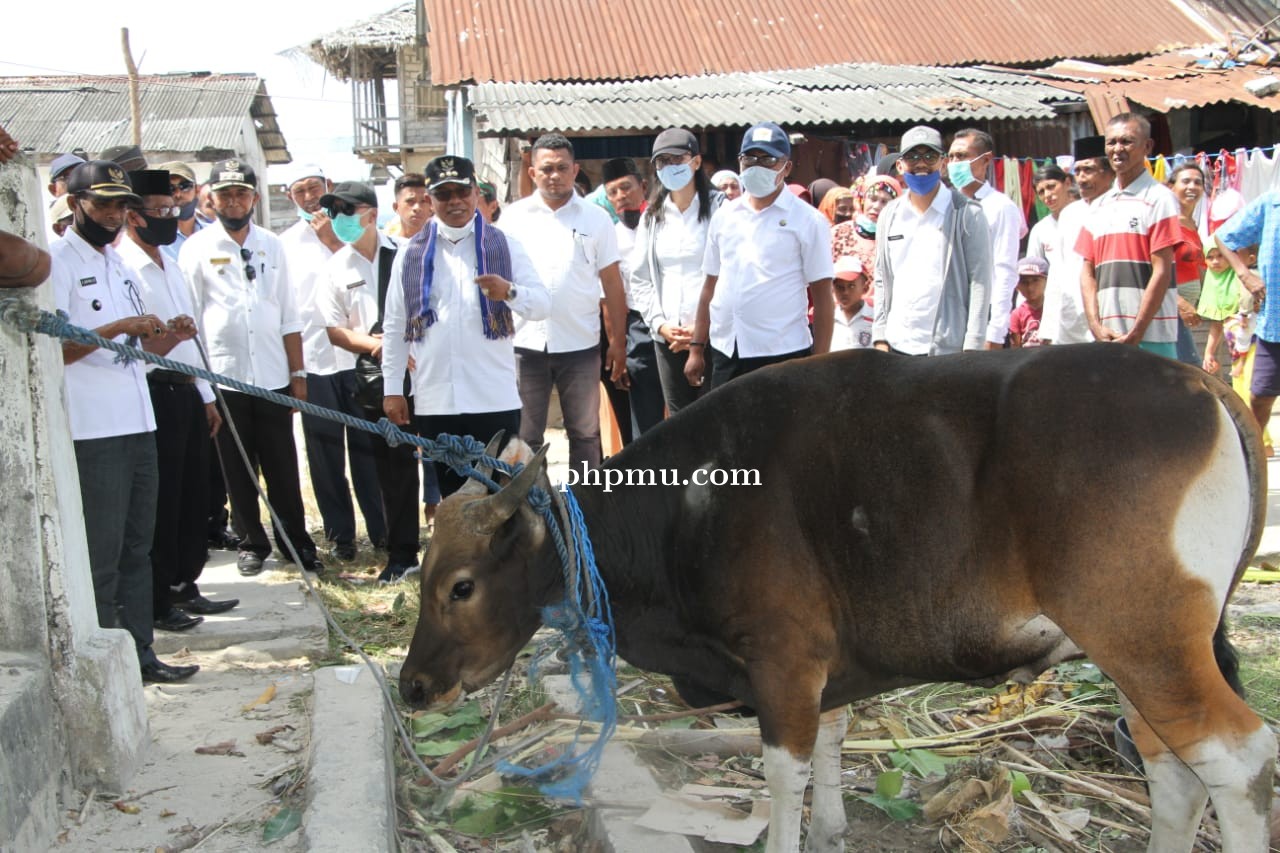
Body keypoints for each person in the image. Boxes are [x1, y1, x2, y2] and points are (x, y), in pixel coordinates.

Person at [49, 160, 198, 683]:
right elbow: (57, 347)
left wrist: (171, 333)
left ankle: (140, 654)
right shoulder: (57, 262)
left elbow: (141, 346)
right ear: (75, 204)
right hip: (93, 429)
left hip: (138, 421)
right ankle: (102, 660)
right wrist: (118, 326)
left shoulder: (122, 267)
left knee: (140, 545)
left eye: (121, 205)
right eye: (103, 204)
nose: (114, 215)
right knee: (104, 552)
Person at [178, 159, 323, 577]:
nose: (234, 201)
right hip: (225, 379)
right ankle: (251, 543)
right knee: (238, 469)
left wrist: (298, 376)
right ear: (211, 199)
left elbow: (289, 314)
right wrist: (203, 388)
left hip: (274, 378)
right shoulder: (197, 249)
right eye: (225, 194)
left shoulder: (272, 244)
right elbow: (190, 320)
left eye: (242, 193)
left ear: (254, 198)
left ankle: (297, 542)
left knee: (283, 468)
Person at [381, 154, 550, 505]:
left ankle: (505, 562)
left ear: (475, 193)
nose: (454, 201)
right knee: (453, 500)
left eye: (462, 191)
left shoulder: (505, 245)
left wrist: (510, 292)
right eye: (444, 194)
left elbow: (542, 305)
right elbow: (396, 326)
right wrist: (393, 389)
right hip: (436, 400)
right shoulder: (410, 254)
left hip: (493, 398)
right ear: (430, 200)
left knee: (502, 499)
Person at [117, 169, 238, 630]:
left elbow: (194, 339)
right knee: (163, 499)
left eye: (174, 209)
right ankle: (160, 594)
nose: (169, 217)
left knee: (195, 494)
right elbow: (144, 344)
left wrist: (207, 395)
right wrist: (169, 340)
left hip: (187, 389)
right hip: (153, 389)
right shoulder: (125, 266)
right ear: (135, 216)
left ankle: (186, 582)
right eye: (159, 211)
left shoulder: (171, 261)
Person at [502, 134, 629, 469]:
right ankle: (533, 512)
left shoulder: (596, 220)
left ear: (575, 170)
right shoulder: (512, 220)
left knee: (585, 434)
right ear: (532, 173)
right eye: (546, 169)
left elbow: (613, 285)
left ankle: (585, 511)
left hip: (580, 345)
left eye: (561, 168)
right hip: (525, 344)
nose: (554, 175)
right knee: (525, 437)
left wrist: (618, 343)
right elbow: (499, 285)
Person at [319, 182, 422, 584]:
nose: (340, 220)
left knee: (444, 457)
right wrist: (379, 347)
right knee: (393, 469)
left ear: (373, 214)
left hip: (425, 375)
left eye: (349, 210)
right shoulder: (335, 268)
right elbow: (335, 331)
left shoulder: (406, 254)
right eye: (334, 212)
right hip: (376, 379)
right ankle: (402, 553)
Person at [281, 166, 385, 561]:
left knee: (368, 449)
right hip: (316, 361)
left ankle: (381, 530)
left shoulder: (350, 234)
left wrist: (330, 240)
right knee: (324, 455)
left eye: (314, 188)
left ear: (327, 189)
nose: (309, 197)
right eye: (300, 191)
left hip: (360, 360)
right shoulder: (284, 245)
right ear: (290, 197)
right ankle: (341, 535)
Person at [685, 121, 834, 389]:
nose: (757, 166)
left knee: (778, 432)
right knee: (727, 431)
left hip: (781, 353)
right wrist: (697, 348)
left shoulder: (808, 220)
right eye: (750, 159)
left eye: (767, 160)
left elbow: (823, 297)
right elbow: (710, 286)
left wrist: (819, 366)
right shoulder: (724, 216)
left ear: (786, 167)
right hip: (727, 350)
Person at [871, 125, 991, 356]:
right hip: (897, 346)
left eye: (930, 156)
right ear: (899, 165)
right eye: (912, 157)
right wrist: (880, 335)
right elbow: (882, 278)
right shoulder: (890, 214)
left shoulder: (966, 213)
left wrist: (973, 346)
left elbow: (980, 282)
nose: (921, 164)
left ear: (943, 164)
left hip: (948, 350)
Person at [631, 128, 723, 415]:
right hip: (668, 340)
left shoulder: (722, 209)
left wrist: (702, 329)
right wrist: (659, 324)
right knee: (679, 425)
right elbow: (640, 278)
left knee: (716, 418)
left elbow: (732, 275)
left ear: (696, 162)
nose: (670, 167)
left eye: (677, 159)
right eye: (662, 161)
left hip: (714, 336)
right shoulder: (652, 216)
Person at [1077, 113, 1180, 358]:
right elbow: (1086, 271)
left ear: (1147, 146)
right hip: (1108, 336)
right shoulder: (1098, 206)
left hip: (1150, 336)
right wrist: (1095, 325)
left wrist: (1137, 331)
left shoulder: (1160, 198)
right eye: (1112, 142)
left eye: (1127, 141)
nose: (1117, 149)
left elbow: (1162, 271)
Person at [602, 157, 665, 441]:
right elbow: (608, 303)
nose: (621, 197)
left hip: (676, 324)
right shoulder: (609, 239)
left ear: (643, 186)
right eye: (612, 193)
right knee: (645, 417)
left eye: (626, 188)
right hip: (637, 329)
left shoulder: (666, 225)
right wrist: (620, 349)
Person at [947, 129, 1027, 349]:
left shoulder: (1001, 208)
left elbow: (1004, 271)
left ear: (986, 160)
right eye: (952, 157)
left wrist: (995, 332)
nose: (955, 163)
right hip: (949, 316)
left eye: (962, 156)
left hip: (984, 316)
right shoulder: (945, 205)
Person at [1215, 188, 1280, 437]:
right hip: (1275, 321)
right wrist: (1244, 273)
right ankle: (1253, 453)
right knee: (1261, 396)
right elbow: (1224, 236)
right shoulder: (1271, 202)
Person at [1039, 136, 1110, 345]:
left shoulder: (1118, 208)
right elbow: (1058, 271)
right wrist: (1048, 327)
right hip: (1071, 319)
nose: (1081, 178)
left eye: (1088, 170)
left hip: (1108, 314)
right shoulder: (1070, 214)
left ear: (1108, 172)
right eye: (1077, 171)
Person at [832, 175, 900, 288]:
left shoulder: (897, 240)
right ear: (862, 200)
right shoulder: (837, 234)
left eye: (884, 202)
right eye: (873, 199)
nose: (877, 206)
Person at [1170, 163, 1208, 366]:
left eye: (1198, 182)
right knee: (1189, 369)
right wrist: (1180, 303)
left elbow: (1200, 268)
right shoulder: (1167, 223)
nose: (1192, 186)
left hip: (1190, 313)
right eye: (1185, 181)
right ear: (1172, 187)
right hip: (1170, 310)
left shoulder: (1193, 224)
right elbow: (1151, 270)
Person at [1025, 164, 1073, 265]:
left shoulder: (1086, 218)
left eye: (1051, 187)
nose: (1047, 195)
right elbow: (1034, 270)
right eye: (1041, 192)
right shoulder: (1040, 230)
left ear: (1067, 183)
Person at [155, 161, 203, 261]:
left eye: (185, 186)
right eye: (170, 188)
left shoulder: (213, 233)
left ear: (197, 190)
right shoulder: (155, 240)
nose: (178, 194)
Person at [830, 255, 874, 351]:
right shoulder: (828, 318)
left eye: (852, 286)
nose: (845, 292)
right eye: (839, 287)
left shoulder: (874, 318)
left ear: (865, 288)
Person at [1009, 257, 1047, 347]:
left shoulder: (1053, 309)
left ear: (1046, 281)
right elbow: (1016, 348)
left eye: (1035, 280)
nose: (1030, 287)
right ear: (1017, 285)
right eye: (1024, 282)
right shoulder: (1016, 314)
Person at [385, 173, 432, 239]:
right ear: (396, 207)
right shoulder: (387, 246)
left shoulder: (445, 244)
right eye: (410, 201)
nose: (417, 208)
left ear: (431, 206)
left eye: (423, 201)